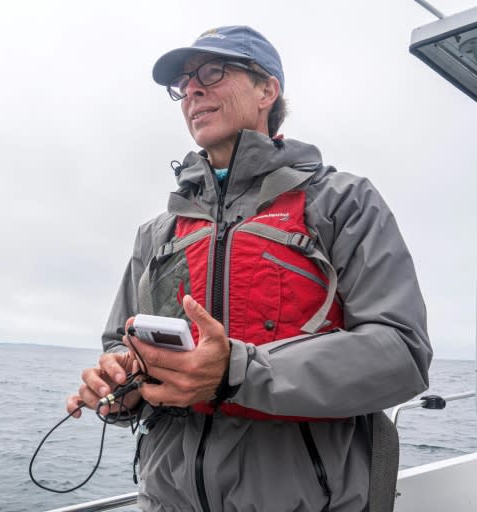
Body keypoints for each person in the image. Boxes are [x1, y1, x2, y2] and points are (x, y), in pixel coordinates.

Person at [66, 25, 431, 512]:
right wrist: (120, 382)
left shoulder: (342, 202)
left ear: (267, 90)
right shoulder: (157, 233)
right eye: (184, 83)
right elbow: (120, 341)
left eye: (212, 72)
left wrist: (237, 371)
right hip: (166, 500)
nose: (192, 90)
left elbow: (400, 353)